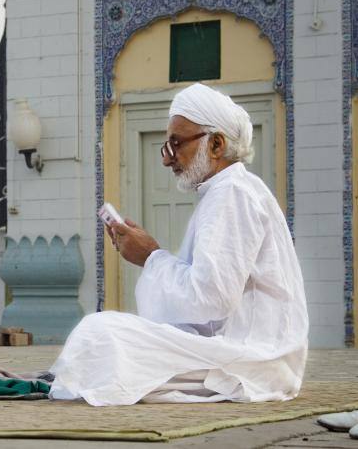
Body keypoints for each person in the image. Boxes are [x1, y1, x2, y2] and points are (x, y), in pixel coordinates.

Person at [48, 83, 309, 406]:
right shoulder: (226, 192)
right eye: (166, 146)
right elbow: (209, 300)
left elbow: (210, 299)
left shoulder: (232, 194)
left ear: (215, 144)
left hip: (255, 360)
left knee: (101, 334)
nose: (167, 159)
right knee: (104, 341)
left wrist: (151, 257)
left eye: (176, 144)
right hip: (242, 351)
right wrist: (151, 257)